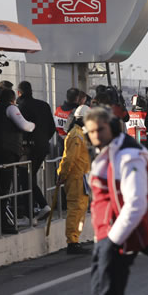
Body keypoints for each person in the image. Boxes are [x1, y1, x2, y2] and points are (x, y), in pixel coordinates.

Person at [85, 107, 148, 294]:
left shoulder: (128, 156)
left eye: (100, 129)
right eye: (91, 131)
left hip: (116, 238)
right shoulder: (105, 154)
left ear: (112, 127)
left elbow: (136, 203)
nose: (96, 135)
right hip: (103, 236)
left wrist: (113, 240)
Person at [16, 81, 56, 220]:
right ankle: (34, 209)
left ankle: (36, 209)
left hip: (28, 148)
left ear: (19, 93)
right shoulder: (44, 105)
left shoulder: (21, 107)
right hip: (43, 147)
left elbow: (20, 129)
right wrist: (43, 140)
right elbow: (52, 127)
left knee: (24, 176)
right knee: (29, 176)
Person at [0, 89, 36, 229]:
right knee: (5, 188)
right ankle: (2, 223)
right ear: (13, 100)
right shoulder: (10, 108)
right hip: (7, 153)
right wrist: (33, 125)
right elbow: (25, 126)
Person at [57, 105, 91, 254]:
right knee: (75, 210)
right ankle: (72, 242)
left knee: (80, 209)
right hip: (75, 178)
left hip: (81, 177)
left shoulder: (79, 134)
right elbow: (69, 159)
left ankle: (75, 239)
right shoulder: (76, 135)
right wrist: (62, 175)